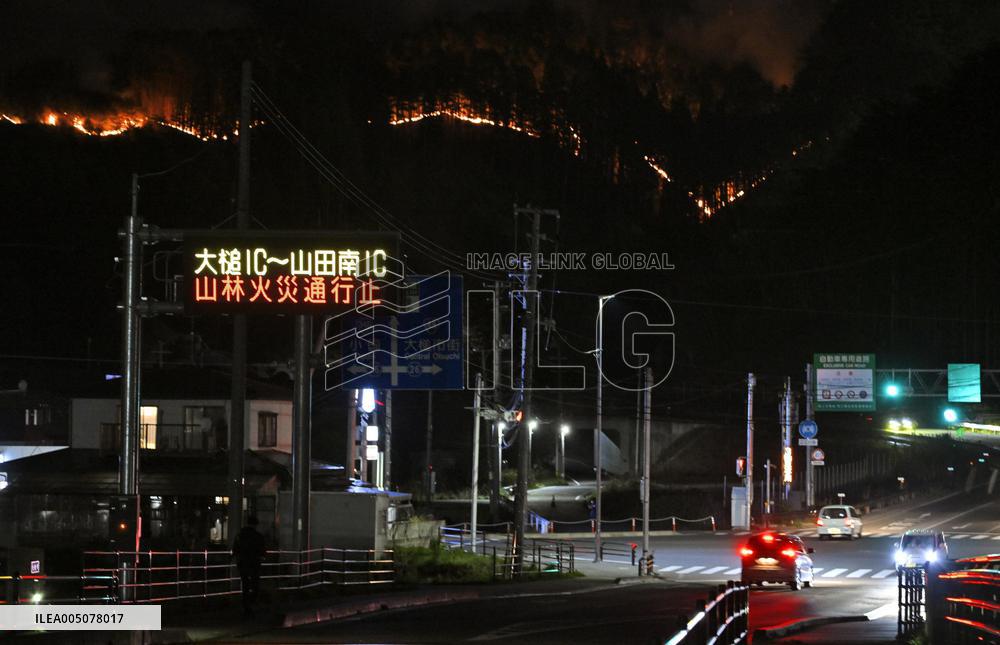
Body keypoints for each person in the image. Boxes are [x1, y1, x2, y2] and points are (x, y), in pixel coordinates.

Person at [232, 516, 267, 616]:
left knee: (245, 584)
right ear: (256, 525)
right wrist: (262, 557)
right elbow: (263, 551)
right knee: (255, 584)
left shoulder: (240, 535)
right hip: (254, 563)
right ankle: (252, 601)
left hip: (242, 563)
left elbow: (235, 549)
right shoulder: (258, 536)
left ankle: (246, 605)